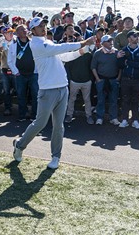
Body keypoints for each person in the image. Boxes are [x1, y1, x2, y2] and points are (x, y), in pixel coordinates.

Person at [13, 17, 93, 169]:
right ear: (33, 30)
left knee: (58, 125)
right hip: (47, 90)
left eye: (44, 25)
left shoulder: (47, 42)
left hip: (62, 88)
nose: (43, 27)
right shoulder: (36, 44)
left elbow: (64, 56)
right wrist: (82, 43)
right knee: (40, 123)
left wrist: (82, 51)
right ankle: (20, 145)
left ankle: (56, 156)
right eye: (39, 26)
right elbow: (61, 48)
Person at [116, 30, 139, 129]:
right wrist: (119, 58)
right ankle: (124, 119)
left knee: (135, 100)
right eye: (134, 36)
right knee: (125, 99)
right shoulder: (124, 50)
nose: (137, 38)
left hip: (137, 79)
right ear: (129, 39)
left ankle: (135, 120)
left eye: (137, 36)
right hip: (126, 78)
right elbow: (120, 65)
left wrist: (128, 62)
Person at [8, 25, 38, 121]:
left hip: (33, 74)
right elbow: (10, 61)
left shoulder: (33, 43)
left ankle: (35, 115)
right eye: (21, 30)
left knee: (35, 95)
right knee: (21, 95)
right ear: (17, 33)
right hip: (20, 75)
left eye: (25, 29)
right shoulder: (13, 45)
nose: (24, 31)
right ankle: (22, 115)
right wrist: (15, 72)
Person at [91, 35, 122, 126]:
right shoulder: (98, 53)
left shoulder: (116, 52)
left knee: (114, 100)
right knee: (100, 100)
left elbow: (120, 67)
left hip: (113, 80)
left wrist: (118, 78)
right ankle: (99, 117)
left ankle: (113, 118)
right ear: (103, 43)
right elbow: (93, 67)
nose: (111, 42)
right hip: (102, 80)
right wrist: (97, 79)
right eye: (108, 41)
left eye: (111, 41)